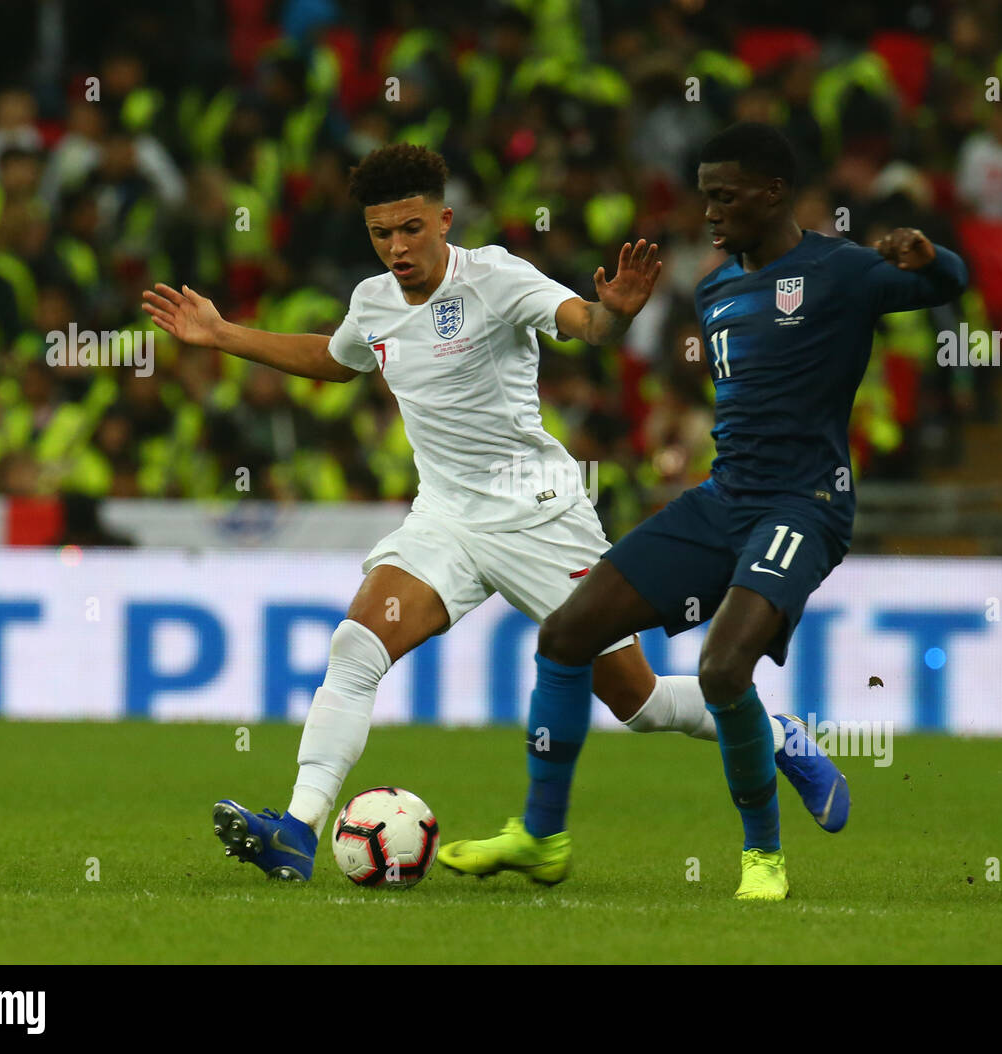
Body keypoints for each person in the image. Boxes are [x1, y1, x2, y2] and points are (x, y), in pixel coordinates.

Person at [140, 143, 849, 881]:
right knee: (355, 649)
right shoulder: (373, 301)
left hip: (538, 516)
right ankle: (296, 830)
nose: (397, 248)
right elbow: (338, 358)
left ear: (444, 220)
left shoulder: (497, 279)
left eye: (411, 228)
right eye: (382, 234)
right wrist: (223, 335)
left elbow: (582, 323)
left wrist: (611, 314)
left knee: (637, 703)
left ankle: (780, 734)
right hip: (445, 519)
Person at [439, 124, 967, 901]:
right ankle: (541, 837)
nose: (710, 213)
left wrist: (935, 259)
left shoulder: (840, 269)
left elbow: (940, 285)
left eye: (725, 196)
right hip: (726, 499)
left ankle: (763, 858)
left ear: (774, 193)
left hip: (804, 504)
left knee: (723, 668)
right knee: (566, 632)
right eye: (705, 194)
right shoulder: (716, 289)